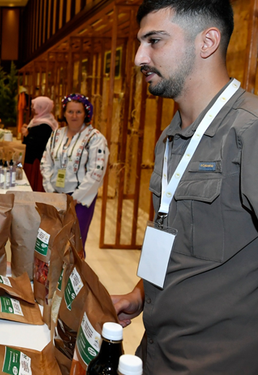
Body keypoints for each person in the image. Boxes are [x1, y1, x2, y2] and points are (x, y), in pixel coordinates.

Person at [111, 1, 258, 373]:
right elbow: (172, 233)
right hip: (157, 350)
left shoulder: (249, 132)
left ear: (207, 42)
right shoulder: (170, 138)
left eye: (154, 41)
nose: (139, 57)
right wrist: (140, 293)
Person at [40, 93, 109, 248]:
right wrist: (52, 191)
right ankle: (54, 272)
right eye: (70, 111)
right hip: (55, 197)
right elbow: (46, 162)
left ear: (86, 114)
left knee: (74, 243)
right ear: (64, 113)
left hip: (80, 200)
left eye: (78, 112)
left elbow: (96, 172)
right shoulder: (56, 134)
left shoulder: (95, 138)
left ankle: (74, 272)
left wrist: (74, 198)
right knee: (54, 240)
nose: (74, 116)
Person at [20, 96, 57, 192]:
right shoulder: (37, 120)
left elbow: (38, 145)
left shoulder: (46, 125)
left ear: (41, 107)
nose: (32, 108)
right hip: (32, 160)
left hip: (36, 163)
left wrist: (27, 134)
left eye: (34, 106)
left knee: (34, 187)